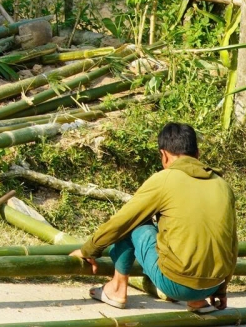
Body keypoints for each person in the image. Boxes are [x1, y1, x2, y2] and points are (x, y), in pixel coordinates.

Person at [72, 123, 235, 313]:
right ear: (197, 154)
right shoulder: (223, 185)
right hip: (213, 285)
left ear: (164, 155)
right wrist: (221, 289)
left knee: (136, 221)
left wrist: (88, 250)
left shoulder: (164, 179)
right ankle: (198, 302)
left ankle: (117, 288)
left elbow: (122, 221)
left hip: (176, 284)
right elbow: (232, 243)